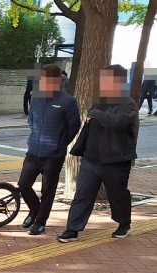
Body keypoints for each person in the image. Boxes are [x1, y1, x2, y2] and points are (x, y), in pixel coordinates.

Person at [57, 64, 139, 243]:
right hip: (92, 159)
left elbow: (117, 123)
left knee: (117, 195)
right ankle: (72, 229)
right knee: (82, 194)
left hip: (116, 159)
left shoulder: (128, 103)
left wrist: (96, 114)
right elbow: (90, 127)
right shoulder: (100, 101)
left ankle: (124, 224)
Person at [18, 63, 81, 235]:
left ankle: (40, 222)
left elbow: (74, 126)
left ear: (58, 80)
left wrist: (59, 142)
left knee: (48, 190)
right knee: (23, 185)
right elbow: (32, 119)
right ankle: (34, 210)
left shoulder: (68, 101)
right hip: (33, 152)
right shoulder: (37, 97)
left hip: (53, 155)